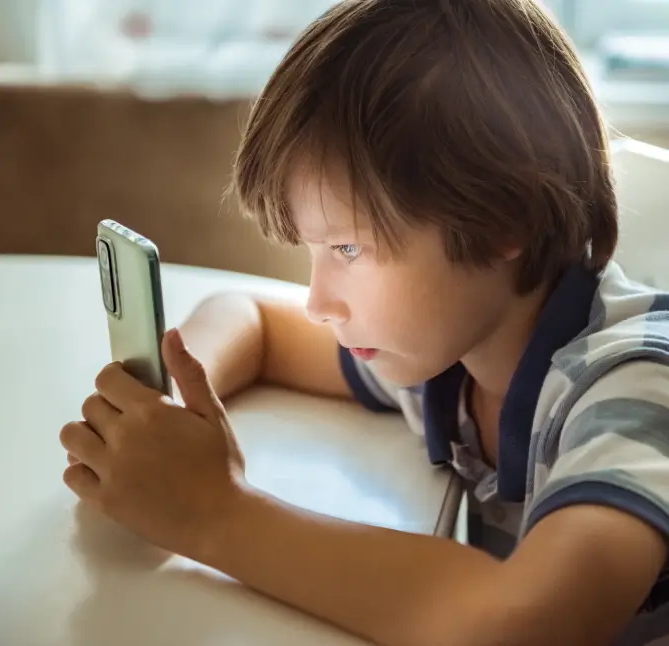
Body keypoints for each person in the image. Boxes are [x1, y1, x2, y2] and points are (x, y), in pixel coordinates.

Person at [59, 1, 669, 644]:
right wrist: (174, 416)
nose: (320, 300)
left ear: (500, 222)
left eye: (347, 250)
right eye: (315, 251)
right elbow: (253, 320)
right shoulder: (447, 355)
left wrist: (214, 513)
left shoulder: (633, 388)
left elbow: (523, 623)